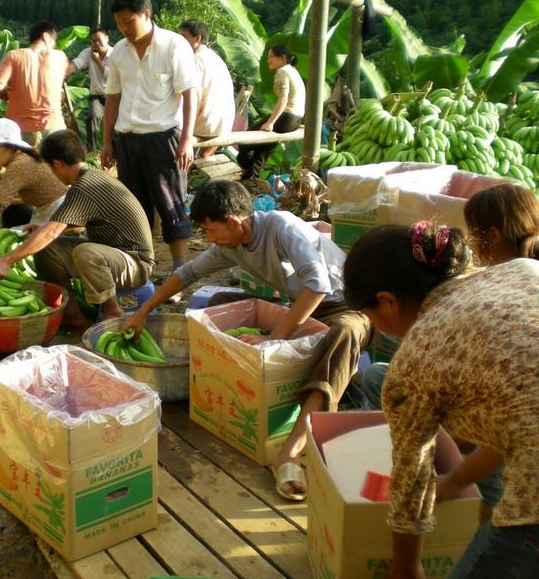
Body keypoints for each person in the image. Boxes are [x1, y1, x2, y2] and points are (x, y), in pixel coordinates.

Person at [121, 181, 371, 499]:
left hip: (342, 306)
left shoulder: (282, 227)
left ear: (235, 221)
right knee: (216, 303)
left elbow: (318, 286)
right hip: (297, 306)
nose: (209, 240)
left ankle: (292, 449)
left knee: (344, 334)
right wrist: (144, 310)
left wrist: (273, 338)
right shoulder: (230, 244)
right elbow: (187, 275)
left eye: (212, 231)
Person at [343, 223, 539, 579]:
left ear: (387, 300)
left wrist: (405, 566)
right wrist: (456, 479)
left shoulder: (415, 357)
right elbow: (526, 417)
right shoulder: (522, 270)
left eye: (370, 317)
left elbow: (410, 479)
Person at [361, 183, 539, 522]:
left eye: (474, 233)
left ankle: (488, 514)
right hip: (511, 422)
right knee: (378, 377)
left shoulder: (513, 276)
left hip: (523, 457)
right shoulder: (513, 274)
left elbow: (516, 417)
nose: (471, 242)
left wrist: (452, 476)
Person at [0, 130, 154, 328]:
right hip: (115, 255)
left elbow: (52, 230)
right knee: (47, 248)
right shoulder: (89, 179)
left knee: (86, 252)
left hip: (136, 263)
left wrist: (6, 261)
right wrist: (40, 227)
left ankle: (112, 311)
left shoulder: (85, 186)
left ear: (57, 164)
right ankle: (70, 315)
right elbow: (71, 223)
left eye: (51, 168)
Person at [101, 0, 197, 284]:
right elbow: (113, 99)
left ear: (146, 14)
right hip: (127, 140)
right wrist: (107, 141)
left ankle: (179, 272)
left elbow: (190, 92)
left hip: (164, 138)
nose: (124, 29)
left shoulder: (173, 45)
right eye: (119, 23)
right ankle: (143, 270)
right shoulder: (118, 51)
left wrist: (187, 139)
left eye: (129, 22)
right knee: (135, 208)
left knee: (172, 204)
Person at [0, 118, 67, 241]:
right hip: (48, 210)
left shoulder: (18, 166)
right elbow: (34, 194)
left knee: (10, 213)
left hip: (59, 214)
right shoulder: (23, 159)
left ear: (11, 147)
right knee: (12, 211)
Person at [0, 21, 68, 147]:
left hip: (22, 128)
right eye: (54, 41)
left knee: (25, 165)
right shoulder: (61, 57)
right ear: (45, 36)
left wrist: (5, 92)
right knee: (55, 165)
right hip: (55, 126)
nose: (54, 45)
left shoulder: (14, 56)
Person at [237, 44, 305, 180]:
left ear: (283, 58)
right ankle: (251, 178)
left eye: (272, 57)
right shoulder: (293, 70)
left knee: (245, 141)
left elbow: (283, 99)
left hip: (287, 117)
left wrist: (270, 122)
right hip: (296, 119)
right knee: (263, 147)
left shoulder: (283, 71)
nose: (268, 60)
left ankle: (247, 170)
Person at [178, 20, 235, 159]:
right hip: (223, 124)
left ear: (197, 39)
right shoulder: (214, 57)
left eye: (184, 37)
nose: (180, 41)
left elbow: (194, 97)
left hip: (208, 124)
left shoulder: (196, 59)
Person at [65, 27, 112, 150]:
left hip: (114, 96)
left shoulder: (115, 54)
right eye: (93, 41)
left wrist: (97, 61)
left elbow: (112, 77)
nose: (96, 44)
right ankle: (92, 150)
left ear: (107, 39)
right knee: (92, 116)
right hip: (96, 95)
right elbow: (76, 64)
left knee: (116, 125)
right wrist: (63, 75)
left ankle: (114, 153)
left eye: (99, 40)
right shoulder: (87, 52)